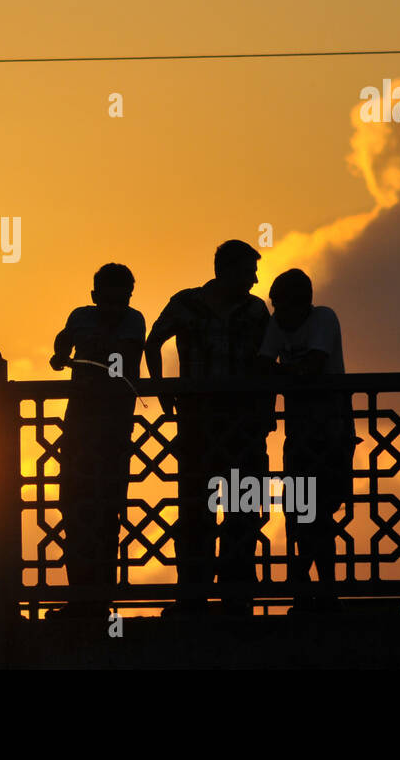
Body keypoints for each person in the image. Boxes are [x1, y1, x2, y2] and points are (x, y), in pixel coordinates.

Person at [145, 240, 274, 615]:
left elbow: (267, 360)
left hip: (243, 423)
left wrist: (265, 410)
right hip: (198, 422)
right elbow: (153, 343)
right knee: (195, 511)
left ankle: (235, 596)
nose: (253, 279)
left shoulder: (254, 310)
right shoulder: (186, 302)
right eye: (249, 271)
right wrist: (161, 386)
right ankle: (193, 596)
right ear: (227, 270)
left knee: (243, 511)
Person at [257, 269, 358, 612]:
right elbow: (263, 363)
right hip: (299, 432)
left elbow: (314, 366)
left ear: (303, 304)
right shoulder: (278, 323)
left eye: (282, 307)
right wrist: (290, 374)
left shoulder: (323, 318)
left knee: (324, 509)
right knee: (299, 511)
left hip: (333, 427)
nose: (277, 314)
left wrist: (283, 373)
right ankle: (307, 589)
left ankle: (318, 587)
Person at [49, 263, 145, 618]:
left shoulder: (134, 321)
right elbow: (64, 339)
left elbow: (122, 364)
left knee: (107, 513)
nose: (116, 309)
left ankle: (99, 600)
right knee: (74, 510)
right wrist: (62, 353)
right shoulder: (80, 317)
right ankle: (80, 598)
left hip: (114, 432)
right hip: (79, 430)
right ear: (94, 297)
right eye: (109, 301)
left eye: (123, 301)